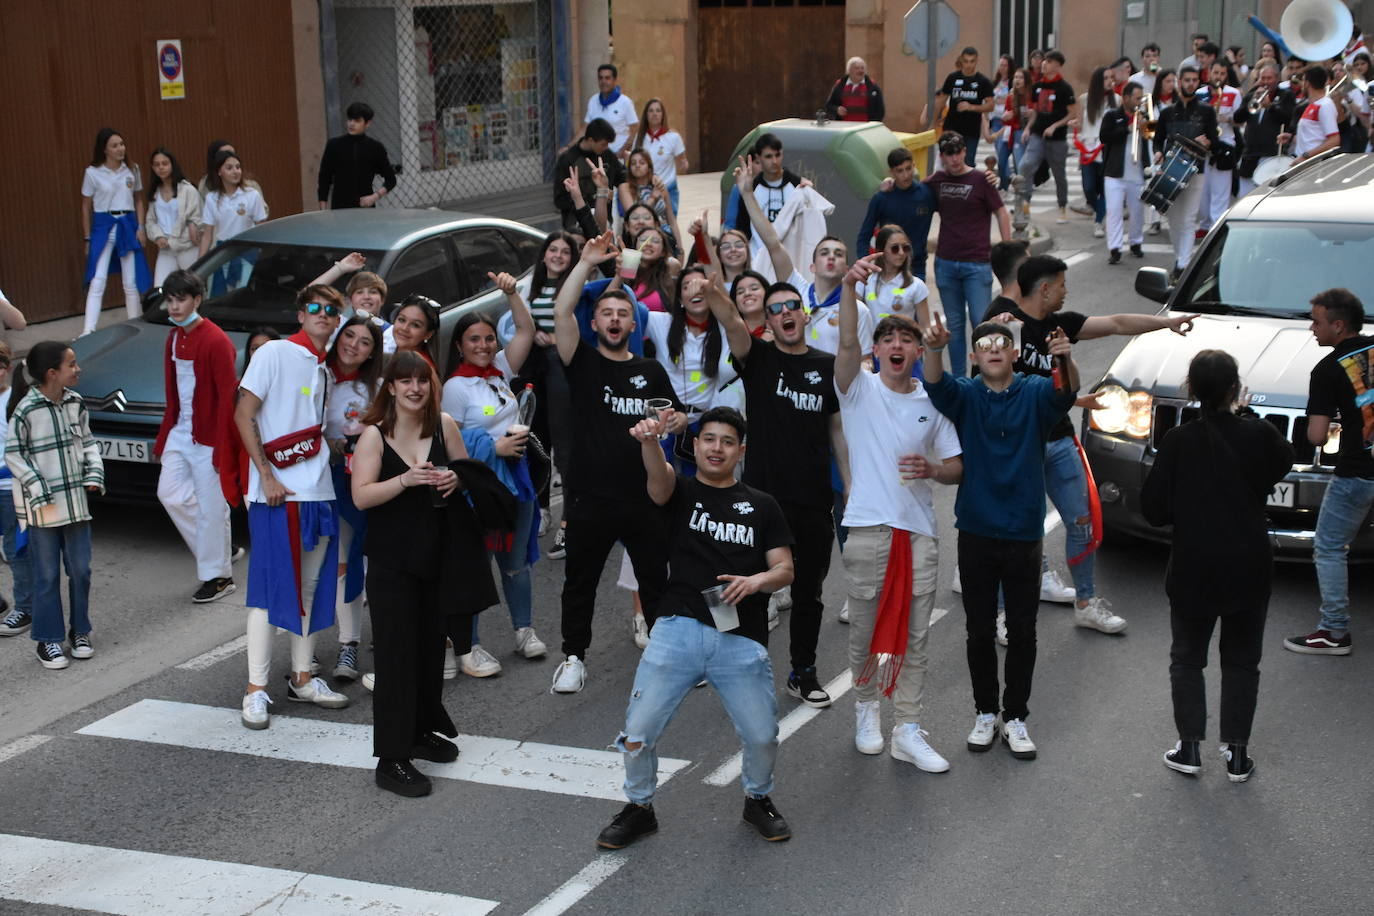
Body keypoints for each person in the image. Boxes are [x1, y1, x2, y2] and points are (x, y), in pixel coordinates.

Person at [595, 406, 795, 849]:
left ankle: (757, 799)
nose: (717, 448)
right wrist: (650, 440)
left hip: (740, 638)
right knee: (638, 732)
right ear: (697, 445)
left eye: (727, 441)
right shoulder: (680, 493)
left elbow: (784, 568)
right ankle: (639, 808)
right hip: (678, 628)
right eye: (709, 439)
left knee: (762, 735)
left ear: (740, 451)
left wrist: (757, 581)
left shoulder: (763, 506)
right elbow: (658, 477)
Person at [987, 255, 1199, 634]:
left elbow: (1117, 323)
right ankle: (1005, 614)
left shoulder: (1061, 327)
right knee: (1016, 532)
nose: (1068, 292)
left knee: (1083, 521)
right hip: (1019, 448)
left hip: (1060, 441)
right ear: (1045, 287)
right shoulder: (1005, 323)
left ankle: (1086, 603)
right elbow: (985, 381)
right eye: (1063, 284)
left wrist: (1167, 323)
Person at [922, 315, 1078, 761]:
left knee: (1024, 631)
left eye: (1001, 343)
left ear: (1013, 353)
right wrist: (933, 349)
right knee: (978, 631)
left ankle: (1016, 717)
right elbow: (936, 386)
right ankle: (985, 713)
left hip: (1023, 534)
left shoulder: (1033, 391)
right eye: (984, 344)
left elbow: (1064, 391)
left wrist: (1064, 359)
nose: (993, 348)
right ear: (974, 357)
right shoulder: (967, 395)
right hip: (975, 530)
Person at [1140, 350, 1294, 783]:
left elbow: (1153, 510)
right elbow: (1284, 458)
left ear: (1190, 389)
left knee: (1188, 658)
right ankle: (1237, 756)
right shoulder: (1259, 435)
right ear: (1233, 388)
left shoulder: (1178, 442)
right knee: (1242, 662)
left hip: (1194, 566)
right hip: (1249, 566)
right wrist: (1247, 414)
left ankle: (1190, 747)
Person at [836, 257, 962, 770]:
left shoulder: (933, 402)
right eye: (886, 339)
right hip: (868, 527)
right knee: (864, 628)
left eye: (905, 340)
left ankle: (907, 728)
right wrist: (849, 286)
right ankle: (866, 709)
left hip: (920, 534)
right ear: (876, 349)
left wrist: (932, 470)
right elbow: (845, 345)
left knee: (916, 635)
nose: (895, 346)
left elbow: (957, 466)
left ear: (917, 350)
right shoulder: (857, 389)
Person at [351, 351, 494, 798]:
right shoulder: (374, 436)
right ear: (390, 387)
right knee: (396, 659)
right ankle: (391, 759)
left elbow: (467, 473)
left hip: (438, 559)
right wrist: (405, 482)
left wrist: (456, 480)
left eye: (422, 381)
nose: (415, 388)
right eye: (405, 381)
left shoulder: (444, 426)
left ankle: (420, 730)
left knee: (431, 653)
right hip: (393, 564)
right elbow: (361, 497)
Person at [549, 233, 685, 694]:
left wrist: (669, 423)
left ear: (634, 324)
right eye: (606, 312)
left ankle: (668, 655)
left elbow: (679, 414)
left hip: (644, 494)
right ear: (596, 322)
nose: (613, 318)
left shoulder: (648, 370)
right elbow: (562, 312)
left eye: (622, 313)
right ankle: (572, 657)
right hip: (590, 495)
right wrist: (586, 263)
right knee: (579, 581)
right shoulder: (582, 361)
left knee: (655, 578)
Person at [705, 268, 842, 708]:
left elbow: (838, 434)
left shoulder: (826, 366)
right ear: (767, 320)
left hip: (814, 500)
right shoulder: (759, 358)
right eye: (775, 309)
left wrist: (851, 492)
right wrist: (713, 288)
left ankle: (803, 671)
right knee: (746, 587)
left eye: (791, 307)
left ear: (803, 315)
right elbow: (730, 321)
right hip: (761, 502)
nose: (785, 314)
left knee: (808, 591)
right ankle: (741, 666)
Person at [233, 285, 349, 730]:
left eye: (331, 310)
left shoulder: (325, 370)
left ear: (337, 320)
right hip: (277, 492)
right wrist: (265, 475)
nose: (323, 314)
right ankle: (256, 689)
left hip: (318, 490)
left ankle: (302, 678)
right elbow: (244, 414)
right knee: (267, 591)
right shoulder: (275, 353)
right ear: (300, 315)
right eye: (315, 308)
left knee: (312, 586)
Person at [442, 277, 548, 670]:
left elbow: (525, 329)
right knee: (476, 567)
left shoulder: (500, 370)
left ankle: (524, 630)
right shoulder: (455, 387)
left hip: (515, 483)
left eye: (488, 338)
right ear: (459, 346)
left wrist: (511, 293)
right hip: (480, 489)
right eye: (474, 340)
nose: (484, 345)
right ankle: (468, 644)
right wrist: (495, 448)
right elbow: (448, 440)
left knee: (516, 561)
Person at [1285, 289, 1373, 657]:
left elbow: (1317, 436)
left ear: (1338, 326)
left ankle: (1334, 632)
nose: (1311, 329)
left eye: (1317, 322)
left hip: (1358, 474)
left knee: (1330, 547)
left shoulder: (1325, 371)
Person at [6, 342, 104, 670]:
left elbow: (88, 443)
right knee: (46, 574)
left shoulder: (76, 403)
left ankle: (80, 631)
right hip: (43, 506)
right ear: (53, 373)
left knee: (81, 570)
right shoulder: (26, 410)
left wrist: (93, 474)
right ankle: (47, 639)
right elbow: (15, 455)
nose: (78, 370)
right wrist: (37, 486)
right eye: (72, 365)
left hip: (75, 502)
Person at [152, 270, 238, 604]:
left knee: (212, 509)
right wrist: (164, 438)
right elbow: (173, 395)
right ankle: (217, 548)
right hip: (181, 432)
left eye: (181, 299)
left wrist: (222, 449)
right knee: (170, 494)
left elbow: (227, 398)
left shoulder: (217, 340)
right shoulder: (173, 338)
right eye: (170, 300)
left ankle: (220, 577)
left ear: (197, 300)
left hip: (210, 438)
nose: (174, 307)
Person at [323, 315, 385, 682]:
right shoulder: (319, 377)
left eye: (365, 342)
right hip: (327, 482)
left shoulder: (376, 386)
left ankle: (386, 636)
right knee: (343, 565)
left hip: (368, 482)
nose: (354, 346)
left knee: (377, 559)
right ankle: (348, 645)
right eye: (350, 336)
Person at [926, 132, 1012, 377]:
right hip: (946, 264)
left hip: (977, 264)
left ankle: (986, 377)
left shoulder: (981, 179)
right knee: (953, 326)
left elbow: (1001, 212)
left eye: (958, 152)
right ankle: (959, 380)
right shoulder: (937, 180)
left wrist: (1008, 248)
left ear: (965, 151)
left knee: (982, 324)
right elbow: (912, 192)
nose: (954, 159)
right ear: (942, 157)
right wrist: (888, 184)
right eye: (948, 154)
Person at [81, 127, 151, 336]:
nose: (120, 149)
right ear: (105, 150)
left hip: (127, 223)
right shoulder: (92, 172)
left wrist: (141, 226)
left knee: (130, 282)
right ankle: (88, 329)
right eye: (114, 145)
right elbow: (86, 205)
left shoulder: (132, 169)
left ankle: (135, 325)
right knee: (98, 278)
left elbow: (139, 199)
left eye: (121, 144)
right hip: (104, 224)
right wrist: (87, 237)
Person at [1154, 66, 1218, 282]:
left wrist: (1208, 141)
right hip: (1172, 168)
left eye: (1194, 80)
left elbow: (1214, 140)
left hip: (1196, 168)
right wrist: (1157, 154)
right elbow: (1158, 139)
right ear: (1180, 82)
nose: (1191, 83)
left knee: (1189, 217)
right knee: (1172, 218)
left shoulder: (1207, 111)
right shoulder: (1167, 112)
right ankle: (1179, 257)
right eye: (1187, 80)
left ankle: (1182, 265)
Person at [1018, 50, 1077, 224]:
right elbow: (1035, 111)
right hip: (1037, 135)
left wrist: (1055, 126)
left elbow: (1072, 113)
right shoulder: (1037, 87)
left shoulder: (1065, 88)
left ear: (1058, 65)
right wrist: (1028, 128)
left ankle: (1062, 207)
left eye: (1049, 61)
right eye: (1044, 61)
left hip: (1057, 138)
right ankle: (1025, 203)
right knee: (1026, 165)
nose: (1044, 64)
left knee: (1059, 174)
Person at [0, 343, 34, 638]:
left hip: (9, 484)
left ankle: (25, 606)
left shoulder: (17, 400)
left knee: (15, 549)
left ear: (6, 369)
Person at [855, 147, 935, 273]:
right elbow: (865, 234)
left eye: (909, 168)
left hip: (917, 267)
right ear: (891, 172)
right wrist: (865, 261)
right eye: (900, 171)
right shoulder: (881, 199)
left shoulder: (926, 194)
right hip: (888, 269)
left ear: (914, 166)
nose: (906, 175)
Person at [723, 133, 807, 243]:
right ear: (758, 157)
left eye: (777, 155)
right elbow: (741, 228)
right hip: (757, 256)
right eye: (768, 156)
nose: (774, 161)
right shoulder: (750, 189)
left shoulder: (798, 186)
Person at [1101, 82, 1149, 264]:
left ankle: (1136, 242)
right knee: (1114, 212)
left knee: (1137, 212)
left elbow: (1151, 136)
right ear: (1126, 98)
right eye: (1137, 98)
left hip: (1136, 172)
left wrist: (1145, 127)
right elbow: (1105, 136)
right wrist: (1126, 129)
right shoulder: (1112, 116)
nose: (1139, 102)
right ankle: (1115, 248)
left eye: (1141, 98)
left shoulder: (1143, 115)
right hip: (1115, 173)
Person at [317, 101, 398, 210]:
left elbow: (391, 179)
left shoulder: (375, 148)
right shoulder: (334, 145)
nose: (352, 124)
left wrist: (374, 197)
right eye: (350, 119)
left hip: (365, 208)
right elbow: (324, 179)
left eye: (357, 120)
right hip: (340, 208)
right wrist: (323, 210)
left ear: (367, 123)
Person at [553, 120, 627, 233]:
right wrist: (585, 200)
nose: (605, 147)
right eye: (603, 144)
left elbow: (623, 176)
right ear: (591, 140)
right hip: (576, 225)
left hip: (603, 223)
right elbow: (559, 199)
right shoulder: (568, 159)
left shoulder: (607, 156)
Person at [144, 148, 203, 285]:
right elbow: (150, 220)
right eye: (157, 164)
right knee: (160, 288)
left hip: (186, 247)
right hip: (166, 249)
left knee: (192, 288)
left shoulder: (188, 189)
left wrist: (187, 230)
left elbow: (197, 217)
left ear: (172, 164)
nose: (161, 167)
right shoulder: (155, 192)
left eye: (165, 163)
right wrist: (158, 235)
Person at [1236, 61, 1295, 197]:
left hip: (1271, 155)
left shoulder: (1286, 95)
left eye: (1269, 78)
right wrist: (1250, 101)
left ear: (1277, 79)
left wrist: (1270, 106)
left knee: (1266, 196)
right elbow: (1237, 118)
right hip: (1250, 154)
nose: (1265, 82)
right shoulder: (1252, 94)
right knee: (1244, 197)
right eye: (1263, 78)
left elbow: (1288, 118)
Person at [1196, 61, 1241, 234]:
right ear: (1209, 73)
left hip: (1224, 144)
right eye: (1216, 73)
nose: (1218, 77)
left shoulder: (1233, 93)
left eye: (1222, 74)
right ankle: (1205, 224)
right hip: (1203, 145)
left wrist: (1227, 119)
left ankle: (1216, 228)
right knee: (1202, 190)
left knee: (1220, 191)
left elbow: (1239, 120)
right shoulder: (1200, 94)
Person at [931, 47, 995, 165]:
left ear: (977, 61)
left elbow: (991, 106)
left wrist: (971, 107)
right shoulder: (953, 78)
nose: (968, 65)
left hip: (971, 130)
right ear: (961, 61)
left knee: (967, 163)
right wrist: (933, 123)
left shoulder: (983, 81)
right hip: (951, 127)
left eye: (972, 61)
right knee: (947, 161)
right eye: (966, 61)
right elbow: (941, 101)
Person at [856, 225, 929, 324]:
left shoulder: (917, 285)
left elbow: (925, 328)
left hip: (902, 339)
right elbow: (852, 319)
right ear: (880, 250)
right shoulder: (864, 281)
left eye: (905, 248)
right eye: (895, 248)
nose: (901, 253)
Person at [1072, 66, 1114, 237]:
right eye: (1106, 78)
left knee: (1103, 188)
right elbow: (1080, 122)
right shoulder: (1084, 99)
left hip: (1106, 149)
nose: (1110, 81)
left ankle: (1099, 220)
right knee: (1089, 187)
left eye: (1112, 77)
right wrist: (1075, 125)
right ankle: (1099, 210)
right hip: (1088, 149)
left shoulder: (1116, 100)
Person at [632, 99, 689, 214]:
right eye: (651, 111)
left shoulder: (673, 137)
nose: (654, 114)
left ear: (663, 115)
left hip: (667, 188)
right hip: (645, 189)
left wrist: (684, 164)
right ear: (646, 115)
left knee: (668, 226)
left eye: (658, 111)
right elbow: (633, 159)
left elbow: (682, 159)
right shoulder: (640, 137)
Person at [1278, 65, 1341, 164]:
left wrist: (1306, 156)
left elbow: (1334, 140)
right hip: (1305, 164)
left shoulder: (1325, 105)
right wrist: (1290, 137)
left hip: (1314, 165)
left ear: (1307, 83)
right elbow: (1313, 137)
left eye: (1303, 80)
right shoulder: (1312, 105)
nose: (1301, 84)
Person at [618, 149, 680, 242]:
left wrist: (680, 248)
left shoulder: (659, 186)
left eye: (642, 163)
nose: (637, 166)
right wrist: (653, 198)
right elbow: (634, 214)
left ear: (649, 167)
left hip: (663, 235)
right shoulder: (625, 187)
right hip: (638, 236)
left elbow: (672, 221)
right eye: (633, 163)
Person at [582, 64, 637, 159]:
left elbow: (634, 129)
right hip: (597, 157)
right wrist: (569, 147)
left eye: (607, 78)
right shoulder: (593, 101)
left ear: (615, 80)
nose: (603, 81)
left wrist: (622, 151)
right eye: (600, 78)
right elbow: (584, 129)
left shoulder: (625, 102)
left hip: (618, 158)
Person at [825, 56, 886, 123]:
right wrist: (837, 110)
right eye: (857, 68)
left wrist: (871, 126)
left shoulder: (872, 86)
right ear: (849, 70)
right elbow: (829, 105)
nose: (861, 71)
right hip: (845, 128)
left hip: (864, 128)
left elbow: (880, 110)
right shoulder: (840, 84)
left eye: (862, 68)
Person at [389, 294, 442, 369]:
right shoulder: (387, 352)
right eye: (402, 320)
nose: (404, 328)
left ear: (428, 334)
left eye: (415, 325)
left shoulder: (420, 367)